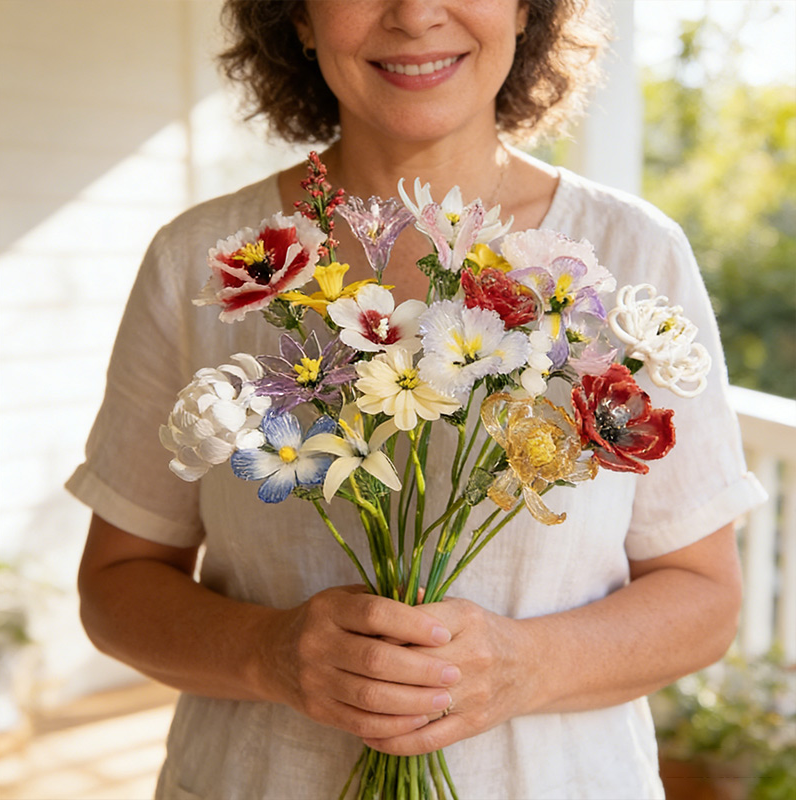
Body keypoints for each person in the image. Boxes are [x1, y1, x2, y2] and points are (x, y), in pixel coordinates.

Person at [68, 1, 766, 798]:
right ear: (297, 16)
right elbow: (118, 582)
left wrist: (526, 667)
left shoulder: (635, 255)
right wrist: (267, 653)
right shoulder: (203, 260)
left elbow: (705, 598)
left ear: (526, 8)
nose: (415, 14)